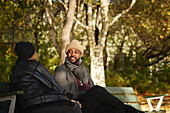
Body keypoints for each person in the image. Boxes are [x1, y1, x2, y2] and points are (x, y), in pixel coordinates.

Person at [54, 39, 145, 113]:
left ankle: (131, 111)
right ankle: (129, 109)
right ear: (67, 53)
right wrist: (85, 94)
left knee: (115, 110)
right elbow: (62, 92)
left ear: (80, 54)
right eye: (70, 52)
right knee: (97, 90)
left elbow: (92, 87)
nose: (72, 54)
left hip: (92, 104)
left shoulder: (84, 69)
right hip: (78, 104)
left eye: (76, 52)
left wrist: (92, 94)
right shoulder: (61, 70)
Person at [10, 41, 82, 113]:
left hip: (24, 106)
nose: (37, 55)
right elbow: (53, 84)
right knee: (75, 107)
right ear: (30, 54)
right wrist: (69, 99)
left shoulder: (15, 69)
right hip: (38, 104)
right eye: (35, 52)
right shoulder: (34, 65)